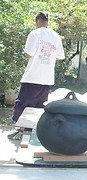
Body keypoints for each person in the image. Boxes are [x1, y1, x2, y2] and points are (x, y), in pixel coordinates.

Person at [8, 11, 65, 140]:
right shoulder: (56, 36)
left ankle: (21, 131)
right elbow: (60, 56)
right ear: (47, 21)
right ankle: (35, 132)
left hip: (32, 77)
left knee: (23, 105)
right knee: (39, 106)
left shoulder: (35, 34)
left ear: (38, 21)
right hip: (47, 79)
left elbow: (28, 53)